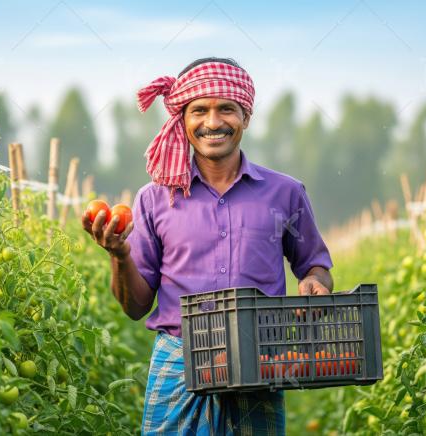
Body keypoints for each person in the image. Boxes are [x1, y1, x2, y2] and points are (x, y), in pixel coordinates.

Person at [81, 57, 334, 435]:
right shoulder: (154, 200)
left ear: (245, 117)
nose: (213, 122)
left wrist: (317, 284)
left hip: (257, 362)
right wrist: (120, 255)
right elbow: (135, 306)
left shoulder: (285, 193)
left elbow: (315, 267)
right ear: (182, 119)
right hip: (178, 364)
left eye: (226, 109)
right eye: (199, 110)